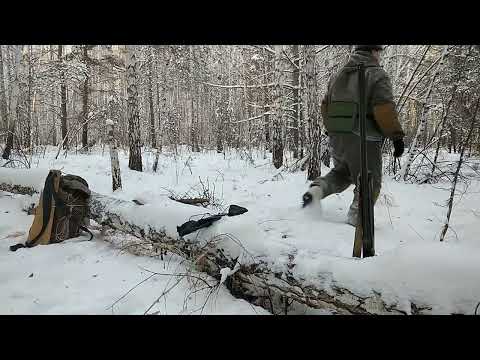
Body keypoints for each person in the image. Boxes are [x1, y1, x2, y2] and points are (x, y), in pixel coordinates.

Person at [302, 45, 405, 226]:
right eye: (379, 52)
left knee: (343, 173)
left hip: (337, 135)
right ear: (373, 51)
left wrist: (332, 130)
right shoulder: (376, 74)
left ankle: (317, 190)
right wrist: (396, 136)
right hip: (364, 138)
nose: (380, 55)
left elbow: (325, 105)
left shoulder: (338, 75)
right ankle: (356, 221)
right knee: (369, 181)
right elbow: (384, 108)